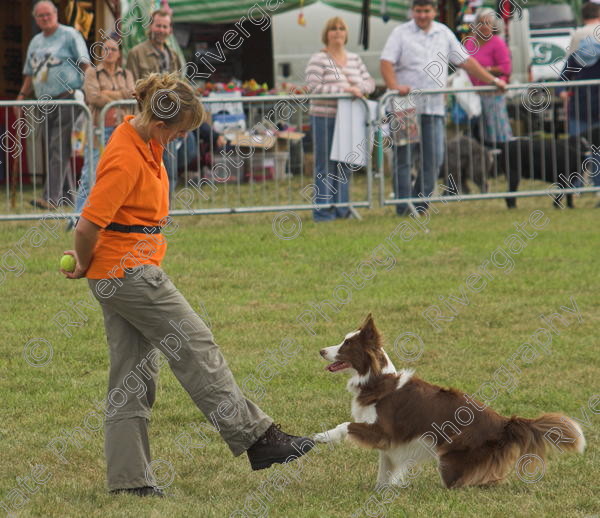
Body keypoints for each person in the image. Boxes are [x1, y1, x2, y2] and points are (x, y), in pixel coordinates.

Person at [60, 72, 313, 496]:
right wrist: (83, 263)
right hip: (128, 272)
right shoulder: (126, 156)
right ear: (160, 125)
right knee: (195, 343)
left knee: (131, 377)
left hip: (119, 271)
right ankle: (257, 438)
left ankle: (129, 482)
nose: (178, 140)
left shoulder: (144, 143)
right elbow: (86, 226)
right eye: (178, 133)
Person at [380, 0, 506, 216]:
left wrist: (493, 81)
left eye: (426, 11)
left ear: (434, 12)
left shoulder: (444, 33)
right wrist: (394, 87)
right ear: (412, 11)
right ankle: (403, 206)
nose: (422, 15)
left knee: (435, 157)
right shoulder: (400, 33)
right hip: (405, 106)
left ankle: (419, 205)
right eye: (418, 11)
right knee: (404, 156)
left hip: (434, 106)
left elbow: (466, 61)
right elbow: (386, 62)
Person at [16, 0, 90, 210]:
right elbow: (30, 74)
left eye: (48, 14)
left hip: (66, 97)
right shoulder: (35, 42)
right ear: (35, 19)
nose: (45, 18)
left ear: (56, 14)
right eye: (41, 16)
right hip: (43, 102)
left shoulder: (70, 35)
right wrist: (21, 97)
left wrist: (89, 92)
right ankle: (67, 195)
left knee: (58, 146)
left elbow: (85, 64)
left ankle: (52, 198)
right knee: (54, 148)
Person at [305, 16, 375, 222]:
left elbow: (369, 82)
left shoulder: (354, 59)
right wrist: (344, 90)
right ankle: (323, 211)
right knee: (325, 165)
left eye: (341, 29)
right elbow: (314, 88)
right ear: (326, 35)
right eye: (333, 29)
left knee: (344, 163)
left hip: (349, 118)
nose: (337, 32)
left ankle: (342, 209)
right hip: (324, 117)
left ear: (346, 34)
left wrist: (359, 89)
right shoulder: (318, 59)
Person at [69, 34, 135, 228]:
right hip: (98, 128)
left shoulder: (126, 74)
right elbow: (93, 97)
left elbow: (131, 95)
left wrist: (108, 94)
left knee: (120, 172)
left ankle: (113, 217)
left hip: (121, 129)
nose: (109, 53)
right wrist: (118, 96)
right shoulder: (92, 73)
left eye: (113, 49)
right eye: (105, 49)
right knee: (91, 172)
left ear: (119, 54)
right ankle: (77, 217)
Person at [126, 8, 184, 197]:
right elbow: (132, 87)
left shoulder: (173, 55)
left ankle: (166, 211)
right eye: (158, 25)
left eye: (165, 26)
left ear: (170, 30)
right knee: (148, 168)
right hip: (148, 122)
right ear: (150, 27)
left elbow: (180, 86)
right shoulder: (136, 53)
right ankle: (150, 210)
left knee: (170, 169)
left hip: (170, 121)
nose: (161, 29)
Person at [559, 2, 600, 205]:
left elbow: (567, 71)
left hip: (580, 102)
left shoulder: (577, 36)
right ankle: (598, 187)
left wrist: (562, 91)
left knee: (576, 147)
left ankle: (574, 187)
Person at [464, 8, 513, 146]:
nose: (485, 27)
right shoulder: (470, 43)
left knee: (496, 130)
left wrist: (484, 71)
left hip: (493, 94)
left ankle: (503, 155)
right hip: (474, 95)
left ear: (493, 26)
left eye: (488, 23)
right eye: (481, 23)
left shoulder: (497, 43)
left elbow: (506, 68)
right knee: (478, 131)